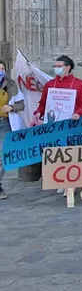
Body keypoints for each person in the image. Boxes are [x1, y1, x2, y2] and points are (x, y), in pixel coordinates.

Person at [35, 55, 82, 123]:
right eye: (55, 66)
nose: (56, 68)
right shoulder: (49, 84)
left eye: (59, 66)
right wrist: (39, 112)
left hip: (72, 123)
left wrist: (78, 113)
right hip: (52, 123)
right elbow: (43, 103)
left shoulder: (79, 84)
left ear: (68, 67)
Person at [0, 61, 23, 200]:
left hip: (4, 123)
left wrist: (12, 108)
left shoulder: (11, 84)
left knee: (3, 156)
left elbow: (21, 104)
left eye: (2, 68)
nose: (0, 71)